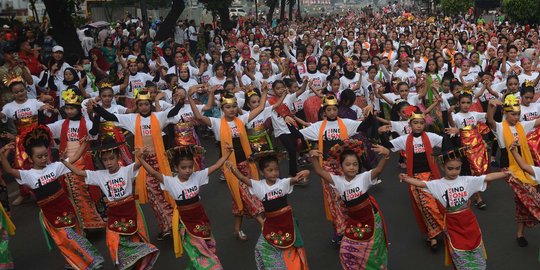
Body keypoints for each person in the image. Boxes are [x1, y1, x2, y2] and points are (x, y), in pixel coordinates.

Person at [0, 126, 104, 269]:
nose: (43, 159)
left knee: (75, 235)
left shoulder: (55, 167)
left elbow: (74, 158)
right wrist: (3, 154)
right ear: (30, 158)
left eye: (45, 155)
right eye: (39, 156)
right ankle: (79, 263)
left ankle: (82, 262)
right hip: (50, 215)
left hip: (66, 208)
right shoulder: (28, 175)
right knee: (64, 240)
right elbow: (9, 170)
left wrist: (84, 144)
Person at [91, 90, 187, 240]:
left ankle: (173, 224)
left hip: (159, 162)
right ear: (137, 105)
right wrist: (96, 108)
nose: (143, 107)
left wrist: (180, 102)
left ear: (150, 105)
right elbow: (111, 116)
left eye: (146, 104)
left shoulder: (158, 116)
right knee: (154, 195)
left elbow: (172, 112)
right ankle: (168, 225)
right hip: (143, 164)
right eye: (140, 104)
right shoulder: (132, 119)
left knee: (166, 192)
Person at [399, 144, 511, 269]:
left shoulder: (467, 180)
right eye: (450, 168)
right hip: (453, 225)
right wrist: (406, 179)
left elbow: (487, 177)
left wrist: (505, 174)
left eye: (457, 168)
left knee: (475, 247)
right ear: (442, 167)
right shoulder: (438, 184)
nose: (454, 172)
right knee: (458, 251)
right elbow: (421, 183)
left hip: (469, 223)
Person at [61, 136, 159, 270]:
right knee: (113, 241)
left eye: (111, 158)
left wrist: (143, 155)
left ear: (118, 157)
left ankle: (140, 261)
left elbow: (139, 163)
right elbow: (78, 171)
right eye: (105, 159)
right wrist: (63, 161)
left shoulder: (127, 170)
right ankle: (124, 264)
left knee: (134, 237)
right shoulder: (99, 175)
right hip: (113, 213)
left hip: (129, 209)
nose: (108, 162)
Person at [188, 91, 266, 240]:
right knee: (246, 194)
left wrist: (264, 90)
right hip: (231, 166)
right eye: (228, 107)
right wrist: (189, 98)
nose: (231, 109)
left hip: (246, 163)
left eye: (234, 106)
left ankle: (237, 229)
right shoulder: (216, 123)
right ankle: (263, 223)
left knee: (240, 198)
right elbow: (198, 117)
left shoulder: (242, 119)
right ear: (222, 109)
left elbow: (261, 107)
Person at [139, 145, 232, 269]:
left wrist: (227, 154)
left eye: (190, 167)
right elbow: (153, 172)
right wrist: (141, 159)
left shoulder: (197, 176)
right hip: (186, 224)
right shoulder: (171, 182)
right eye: (183, 167)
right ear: (176, 168)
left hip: (201, 219)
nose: (188, 170)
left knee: (208, 245)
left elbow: (216, 166)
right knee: (199, 250)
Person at [299, 94, 373, 244]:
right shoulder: (318, 127)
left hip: (346, 167)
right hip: (327, 168)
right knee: (334, 200)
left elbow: (365, 125)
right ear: (324, 112)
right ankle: (339, 230)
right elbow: (296, 135)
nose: (332, 112)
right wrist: (288, 122)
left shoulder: (346, 123)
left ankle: (352, 227)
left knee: (349, 197)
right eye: (329, 110)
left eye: (334, 109)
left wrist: (371, 111)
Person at [309, 140, 390, 270]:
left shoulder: (363, 178)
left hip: (371, 219)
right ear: (341, 167)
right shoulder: (338, 181)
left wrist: (386, 155)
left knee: (374, 251)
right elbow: (319, 171)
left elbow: (379, 169)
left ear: (358, 166)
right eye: (348, 164)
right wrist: (312, 156)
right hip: (354, 221)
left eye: (355, 164)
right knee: (346, 252)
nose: (352, 167)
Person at [227, 153, 310, 269]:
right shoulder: (259, 186)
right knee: (261, 247)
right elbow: (242, 178)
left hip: (287, 222)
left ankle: (295, 266)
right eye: (270, 170)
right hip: (271, 224)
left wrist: (306, 172)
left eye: (276, 169)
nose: (274, 173)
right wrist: (233, 169)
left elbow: (298, 178)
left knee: (292, 247)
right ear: (262, 172)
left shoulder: (283, 183)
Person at [379, 105, 444, 250]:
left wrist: (455, 134)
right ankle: (433, 235)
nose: (419, 126)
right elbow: (389, 145)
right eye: (415, 123)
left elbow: (445, 143)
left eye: (421, 123)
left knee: (437, 205)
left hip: (432, 176)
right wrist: (381, 134)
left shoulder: (431, 137)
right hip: (414, 178)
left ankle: (437, 232)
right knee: (425, 206)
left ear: (424, 125)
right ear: (410, 124)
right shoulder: (404, 140)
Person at [47, 86, 106, 230]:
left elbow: (93, 133)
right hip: (67, 162)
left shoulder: (85, 123)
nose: (69, 111)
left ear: (79, 109)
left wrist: (97, 117)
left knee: (87, 189)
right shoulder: (62, 124)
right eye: (66, 108)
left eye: (72, 108)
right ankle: (82, 222)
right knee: (72, 191)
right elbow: (47, 129)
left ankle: (93, 219)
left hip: (84, 161)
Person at [487, 94, 540, 247]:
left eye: (518, 114)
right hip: (509, 169)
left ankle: (520, 234)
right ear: (505, 113)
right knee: (528, 193)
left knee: (521, 202)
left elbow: (537, 121)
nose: (516, 117)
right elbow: (490, 120)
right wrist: (491, 107)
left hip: (525, 166)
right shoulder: (500, 127)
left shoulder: (522, 126)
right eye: (513, 114)